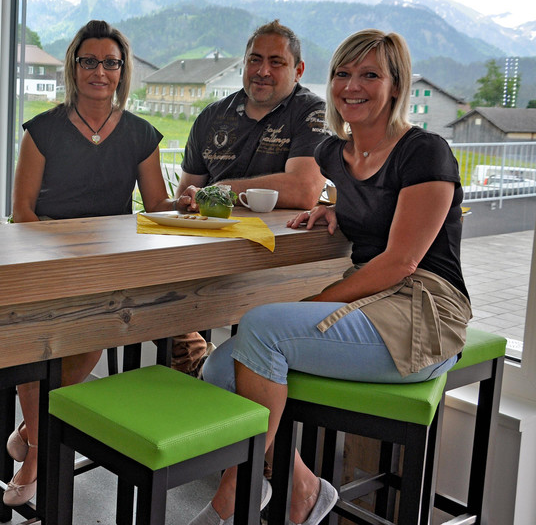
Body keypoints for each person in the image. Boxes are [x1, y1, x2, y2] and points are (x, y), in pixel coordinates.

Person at [193, 29, 471, 525]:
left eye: (370, 75)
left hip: (424, 311)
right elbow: (366, 202)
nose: (352, 86)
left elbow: (401, 262)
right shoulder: (334, 155)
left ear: (396, 85)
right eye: (343, 73)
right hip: (370, 296)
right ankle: (302, 487)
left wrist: (317, 302)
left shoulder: (425, 151)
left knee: (262, 327)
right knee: (218, 370)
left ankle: (235, 492)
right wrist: (334, 208)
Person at [7, 19, 173, 506]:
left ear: (122, 71)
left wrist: (188, 203)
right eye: (89, 61)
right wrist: (56, 258)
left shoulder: (141, 134)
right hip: (46, 256)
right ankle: (39, 451)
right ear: (74, 67)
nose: (100, 71)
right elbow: (22, 212)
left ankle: (31, 433)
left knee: (89, 339)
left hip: (108, 265)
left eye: (110, 63)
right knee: (31, 346)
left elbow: (157, 206)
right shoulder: (42, 131)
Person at [170, 20, 329, 376]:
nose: (262, 70)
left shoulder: (312, 112)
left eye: (276, 62)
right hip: (210, 255)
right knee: (147, 292)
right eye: (255, 60)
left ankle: (210, 369)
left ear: (298, 70)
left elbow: (304, 189)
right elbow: (186, 194)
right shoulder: (212, 116)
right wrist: (187, 201)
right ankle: (197, 360)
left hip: (278, 259)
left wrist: (222, 190)